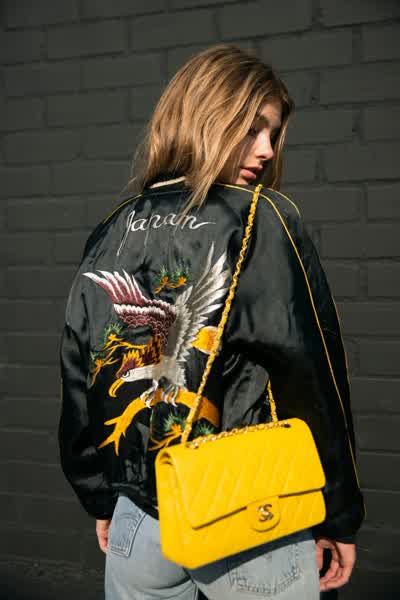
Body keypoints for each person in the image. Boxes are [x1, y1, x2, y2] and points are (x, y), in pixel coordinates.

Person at [58, 43, 365, 599]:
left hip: (140, 515)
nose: (266, 150)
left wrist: (101, 493)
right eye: (250, 129)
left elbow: (81, 372)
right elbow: (310, 378)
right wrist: (337, 511)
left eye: (273, 133)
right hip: (246, 508)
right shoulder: (261, 218)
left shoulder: (113, 227)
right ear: (204, 119)